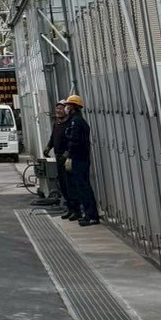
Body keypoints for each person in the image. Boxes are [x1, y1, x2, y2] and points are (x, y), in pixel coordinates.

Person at [62, 93, 99, 226]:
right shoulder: (77, 120)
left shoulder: (76, 122)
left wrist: (69, 155)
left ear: (73, 107)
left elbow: (74, 140)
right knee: (82, 187)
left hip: (79, 159)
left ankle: (91, 215)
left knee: (83, 187)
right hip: (81, 158)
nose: (66, 108)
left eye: (68, 106)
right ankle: (89, 214)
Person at [44, 101, 72, 213]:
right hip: (59, 157)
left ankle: (74, 208)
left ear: (66, 110)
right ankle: (69, 207)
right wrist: (48, 148)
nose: (58, 111)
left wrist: (66, 154)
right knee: (62, 183)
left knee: (69, 183)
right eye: (57, 108)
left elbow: (72, 142)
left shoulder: (69, 124)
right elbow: (52, 138)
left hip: (68, 158)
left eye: (61, 108)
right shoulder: (56, 124)